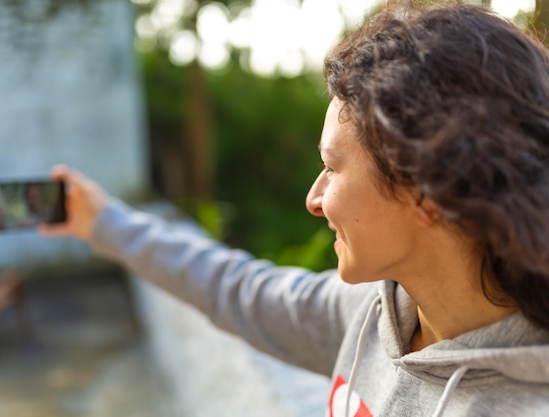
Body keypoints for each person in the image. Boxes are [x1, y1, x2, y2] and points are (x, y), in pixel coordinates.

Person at [40, 3, 549, 416]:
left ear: (429, 193)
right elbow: (234, 289)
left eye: (332, 166)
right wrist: (102, 221)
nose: (313, 197)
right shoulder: (373, 313)